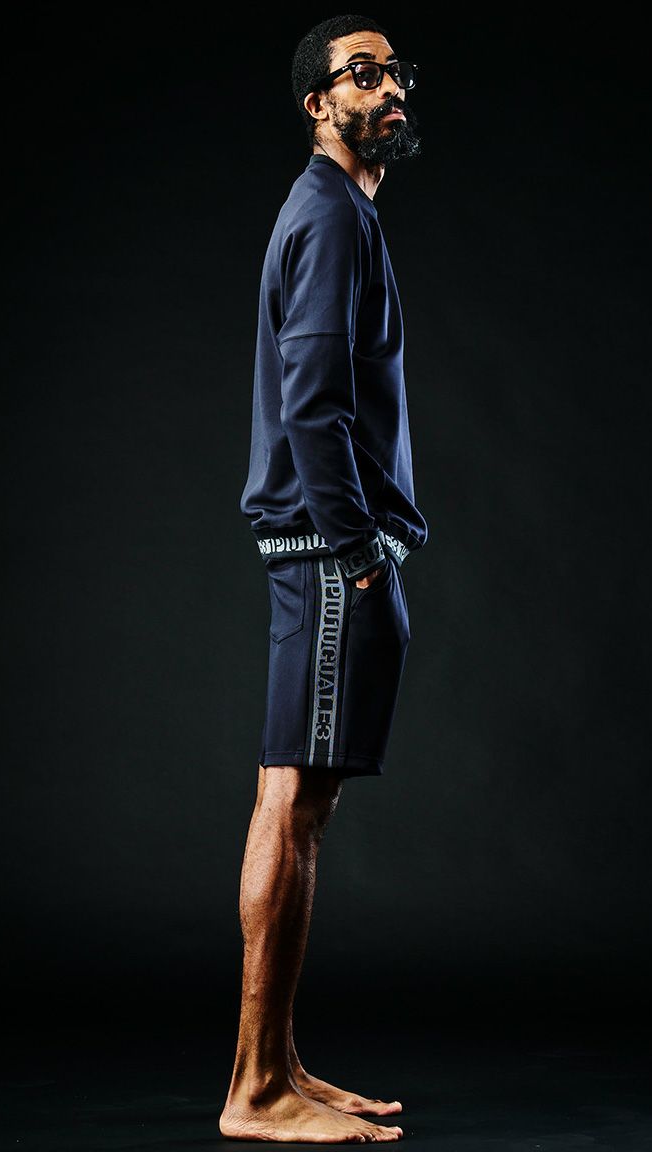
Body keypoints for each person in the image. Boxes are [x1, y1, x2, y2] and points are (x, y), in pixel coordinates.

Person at [221, 14, 428, 1143]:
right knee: (293, 804)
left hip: (319, 553)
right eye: (363, 74)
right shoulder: (332, 216)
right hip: (326, 556)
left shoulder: (340, 213)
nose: (388, 88)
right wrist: (356, 556)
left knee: (294, 803)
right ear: (319, 105)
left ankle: (279, 1066)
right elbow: (311, 404)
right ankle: (255, 1093)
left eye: (395, 73)